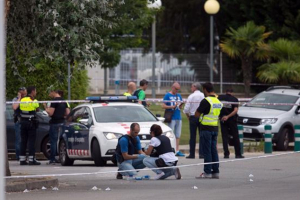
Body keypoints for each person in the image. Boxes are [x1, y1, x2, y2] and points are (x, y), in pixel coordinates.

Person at [195, 82, 222, 179]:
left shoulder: (206, 101)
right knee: (214, 150)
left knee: (207, 151)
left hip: (206, 128)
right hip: (215, 128)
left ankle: (207, 172)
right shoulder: (218, 101)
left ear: (205, 89)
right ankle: (215, 172)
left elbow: (197, 114)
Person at [44, 90, 70, 165]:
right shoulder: (64, 101)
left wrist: (46, 107)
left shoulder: (54, 101)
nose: (50, 94)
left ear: (54, 92)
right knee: (61, 141)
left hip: (55, 123)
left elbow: (51, 113)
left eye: (50, 93)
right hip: (62, 123)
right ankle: (60, 157)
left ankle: (52, 159)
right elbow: (67, 113)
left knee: (53, 141)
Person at [218, 89, 244, 159]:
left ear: (225, 92)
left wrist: (220, 116)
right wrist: (228, 116)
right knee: (235, 136)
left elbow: (216, 107)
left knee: (224, 137)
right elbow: (235, 110)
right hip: (232, 119)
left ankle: (226, 154)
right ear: (232, 93)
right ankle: (238, 154)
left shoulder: (220, 98)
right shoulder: (234, 99)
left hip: (222, 119)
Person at [19, 86, 40, 165]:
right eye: (35, 91)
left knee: (23, 141)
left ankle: (22, 159)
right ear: (32, 91)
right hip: (31, 123)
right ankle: (31, 159)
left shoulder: (22, 100)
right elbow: (37, 109)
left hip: (23, 123)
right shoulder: (34, 100)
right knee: (31, 141)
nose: (36, 93)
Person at [162, 82, 185, 157]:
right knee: (170, 134)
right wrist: (172, 107)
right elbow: (163, 106)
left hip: (178, 117)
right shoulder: (167, 95)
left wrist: (181, 104)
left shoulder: (179, 95)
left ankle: (177, 150)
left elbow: (179, 107)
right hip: (171, 117)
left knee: (178, 134)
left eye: (178, 89)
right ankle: (170, 149)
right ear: (172, 87)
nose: (177, 91)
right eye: (176, 89)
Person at [183, 82, 205, 159]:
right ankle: (201, 154)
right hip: (201, 117)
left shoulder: (191, 96)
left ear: (195, 87)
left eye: (192, 86)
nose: (191, 88)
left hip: (193, 117)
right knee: (201, 136)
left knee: (192, 136)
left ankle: (192, 154)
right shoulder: (203, 95)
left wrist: (188, 116)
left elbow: (186, 109)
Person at [12, 87, 27, 160]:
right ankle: (18, 156)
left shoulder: (27, 99)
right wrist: (19, 98)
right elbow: (14, 107)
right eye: (21, 91)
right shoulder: (16, 99)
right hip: (19, 122)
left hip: (26, 121)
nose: (23, 93)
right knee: (19, 140)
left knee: (25, 139)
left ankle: (24, 155)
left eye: (24, 91)